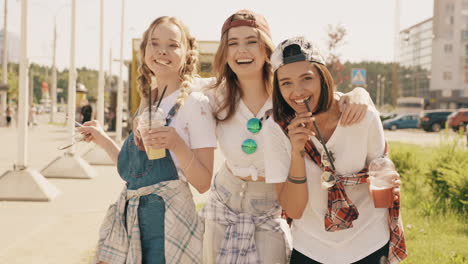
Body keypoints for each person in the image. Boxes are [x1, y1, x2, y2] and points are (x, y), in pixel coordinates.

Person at [200, 10, 374, 264]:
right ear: (224, 53)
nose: (242, 51)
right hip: (224, 200)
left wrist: (361, 93)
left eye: (251, 41)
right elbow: (174, 86)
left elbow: (331, 98)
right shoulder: (212, 94)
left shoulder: (287, 92)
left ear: (266, 49)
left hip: (271, 205)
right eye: (232, 44)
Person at [78, 16, 216, 264]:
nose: (162, 51)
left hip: (170, 223)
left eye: (173, 44)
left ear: (187, 53)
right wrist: (102, 139)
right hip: (134, 217)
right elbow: (133, 170)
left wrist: (176, 144)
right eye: (154, 43)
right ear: (144, 51)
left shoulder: (196, 104)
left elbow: (204, 183)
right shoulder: (148, 100)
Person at [263, 36, 407, 264]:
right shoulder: (275, 129)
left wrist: (388, 182)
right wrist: (297, 152)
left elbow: (383, 189)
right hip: (310, 248)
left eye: (306, 78)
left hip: (368, 242)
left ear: (323, 78)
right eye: (286, 83)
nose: (297, 91)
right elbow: (294, 210)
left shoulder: (363, 116)